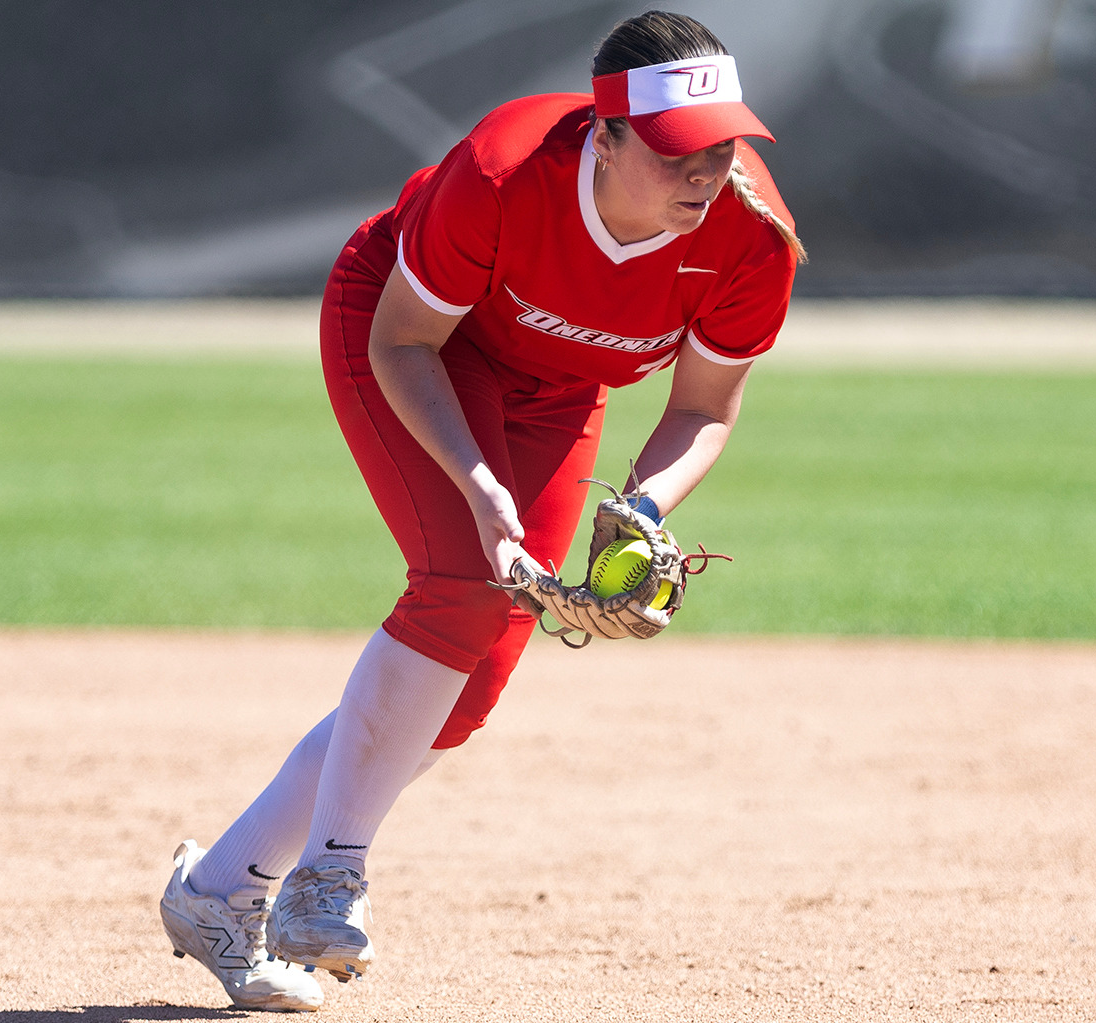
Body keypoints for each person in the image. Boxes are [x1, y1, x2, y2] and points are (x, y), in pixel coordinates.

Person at [158, 11, 803, 1012]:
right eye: (679, 148)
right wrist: (477, 482)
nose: (706, 170)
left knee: (462, 692)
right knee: (461, 587)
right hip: (409, 342)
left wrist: (639, 506)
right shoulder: (504, 176)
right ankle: (327, 881)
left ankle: (218, 894)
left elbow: (702, 408)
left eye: (723, 142)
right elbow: (407, 339)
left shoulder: (752, 242)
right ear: (609, 131)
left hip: (555, 390)